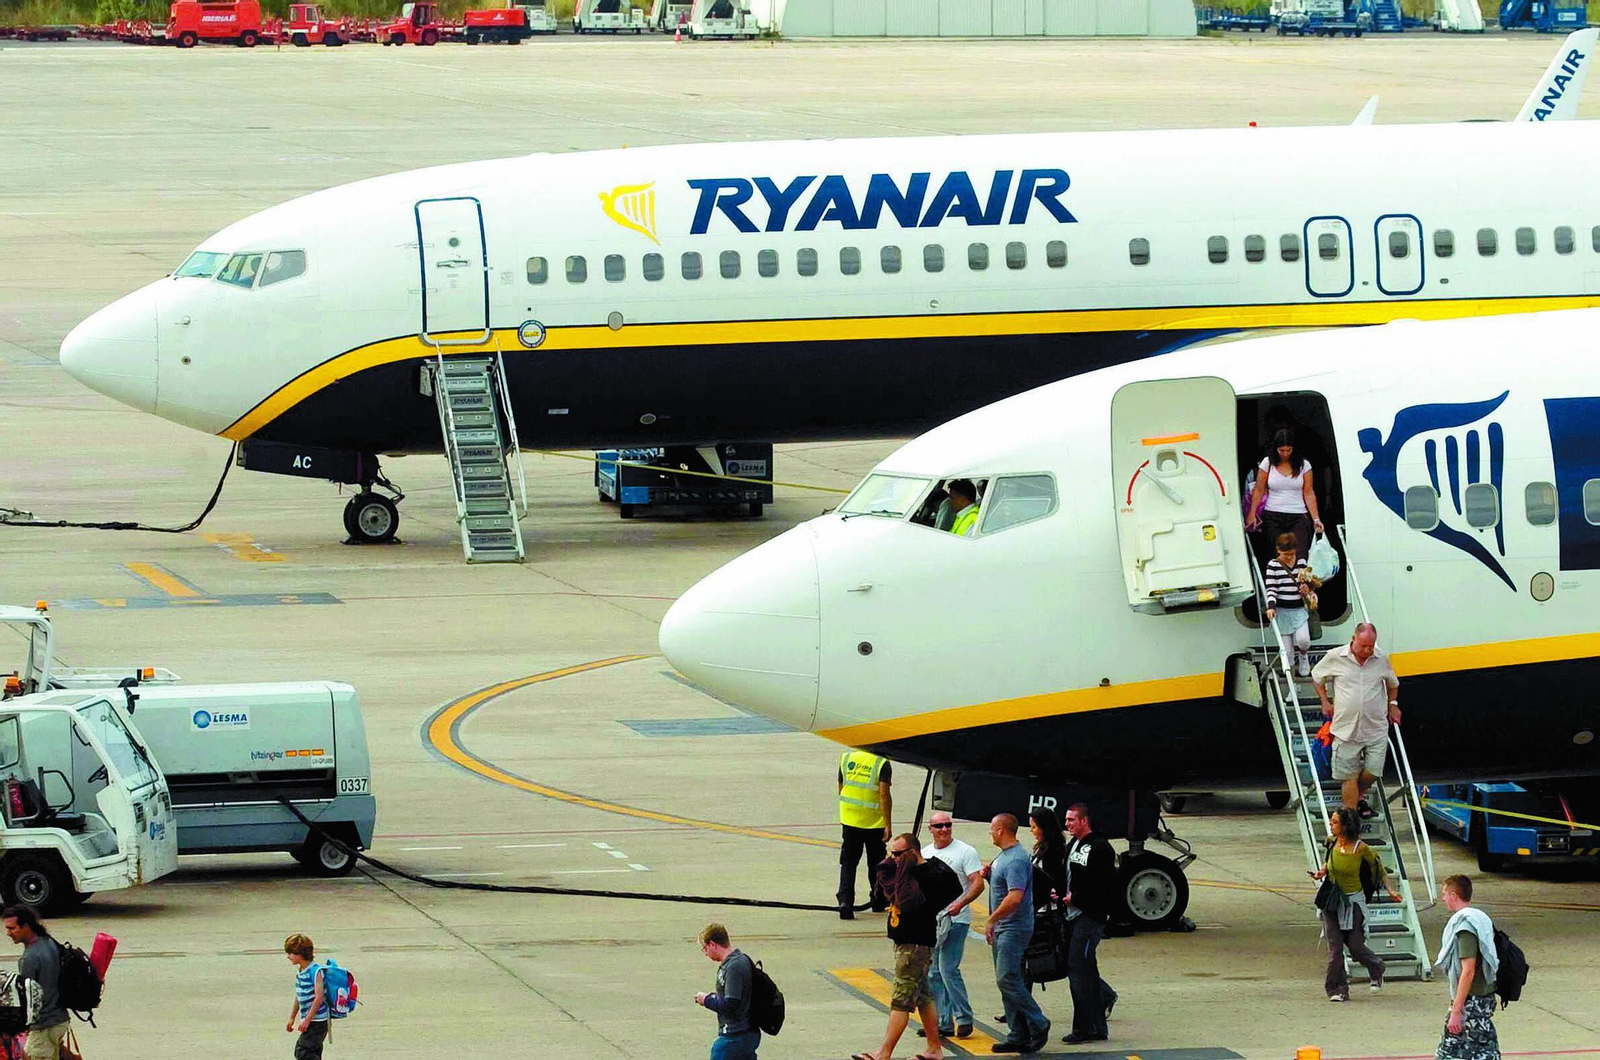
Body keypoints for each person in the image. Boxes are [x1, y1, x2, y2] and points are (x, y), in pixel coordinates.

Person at [854, 834, 963, 1060]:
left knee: (901, 1001)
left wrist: (900, 869)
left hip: (915, 945)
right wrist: (889, 865)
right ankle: (934, 1049)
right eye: (891, 853)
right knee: (923, 997)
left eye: (898, 854)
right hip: (905, 943)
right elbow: (883, 892)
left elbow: (906, 900)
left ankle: (883, 1053)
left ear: (912, 853)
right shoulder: (906, 870)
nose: (893, 858)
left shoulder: (928, 877)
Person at [1309, 807, 1401, 1003]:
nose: (1331, 825)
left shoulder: (1360, 848)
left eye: (1335, 822)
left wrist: (1391, 890)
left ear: (1345, 826)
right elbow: (1328, 862)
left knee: (1356, 947)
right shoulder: (1331, 842)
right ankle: (1337, 989)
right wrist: (1321, 873)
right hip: (1332, 901)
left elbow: (1379, 869)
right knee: (1335, 950)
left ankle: (1376, 966)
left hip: (1353, 902)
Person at [1311, 623, 1400, 816]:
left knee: (1374, 772)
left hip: (1375, 727)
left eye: (1371, 646)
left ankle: (1357, 798)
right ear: (1354, 639)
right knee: (1348, 776)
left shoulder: (1381, 658)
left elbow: (1392, 684)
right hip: (1345, 728)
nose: (1368, 650)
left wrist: (1393, 704)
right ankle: (1351, 819)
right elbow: (1317, 677)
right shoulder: (1336, 657)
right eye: (1363, 646)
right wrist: (1324, 701)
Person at [985, 814, 1049, 1054]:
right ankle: (1017, 1034)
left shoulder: (1015, 860)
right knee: (1008, 980)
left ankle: (1038, 1022)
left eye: (992, 829)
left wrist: (992, 919)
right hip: (1003, 927)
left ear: (1001, 831)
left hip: (1013, 928)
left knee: (1008, 978)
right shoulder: (1005, 857)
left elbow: (1015, 897)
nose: (990, 833)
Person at [920, 813, 984, 1041]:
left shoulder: (965, 852)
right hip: (934, 921)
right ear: (931, 829)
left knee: (948, 969)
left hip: (957, 920)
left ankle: (964, 1018)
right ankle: (943, 1022)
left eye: (948, 825)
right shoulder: (926, 854)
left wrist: (960, 903)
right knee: (934, 972)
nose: (945, 829)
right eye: (939, 826)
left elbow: (977, 883)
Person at [1059, 804, 1116, 1044]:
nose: (1068, 824)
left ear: (1084, 821)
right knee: (1086, 970)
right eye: (1067, 820)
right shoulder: (1074, 845)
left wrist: (1077, 898)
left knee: (1078, 970)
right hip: (1073, 915)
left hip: (1090, 917)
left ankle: (1083, 1028)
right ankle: (1097, 1027)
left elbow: (1104, 886)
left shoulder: (1100, 847)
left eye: (1072, 820)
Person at [1433, 875, 1500, 1060]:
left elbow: (1468, 971)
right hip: (1484, 997)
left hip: (1472, 1001)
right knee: (1484, 1049)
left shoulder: (1465, 927)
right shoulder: (1481, 918)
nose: (1443, 898)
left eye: (1445, 894)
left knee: (1449, 1052)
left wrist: (1456, 1010)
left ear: (1454, 895)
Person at [1245, 428, 1322, 561]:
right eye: (1282, 450)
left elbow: (1308, 492)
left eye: (1288, 450)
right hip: (1273, 514)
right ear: (1276, 449)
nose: (1285, 454)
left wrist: (1316, 518)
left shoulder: (1304, 465)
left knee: (1300, 556)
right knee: (1277, 557)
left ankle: (1300, 581)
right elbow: (1259, 489)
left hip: (1298, 514)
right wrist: (1252, 514)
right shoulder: (1267, 463)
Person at [2, 908, 66, 1060]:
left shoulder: (30, 958)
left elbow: (27, 999)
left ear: (26, 927)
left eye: (12, 928)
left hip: (43, 1026)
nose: (8, 933)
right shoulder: (49, 942)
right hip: (60, 1020)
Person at [838, 749, 893, 919]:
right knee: (876, 863)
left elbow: (841, 787)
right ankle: (878, 900)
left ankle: (845, 902)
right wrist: (888, 824)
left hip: (850, 819)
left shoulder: (846, 758)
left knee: (848, 863)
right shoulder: (882, 762)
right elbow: (884, 794)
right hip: (873, 821)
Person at [695, 923, 760, 1060]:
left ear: (713, 944)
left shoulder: (734, 966)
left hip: (735, 1035)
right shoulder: (739, 961)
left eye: (705, 949)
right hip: (747, 1033)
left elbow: (731, 1004)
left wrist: (707, 999)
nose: (706, 953)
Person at [1263, 531, 1323, 678]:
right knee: (1288, 652)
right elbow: (1271, 588)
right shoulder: (1273, 565)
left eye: (1291, 554)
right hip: (1282, 611)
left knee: (1304, 640)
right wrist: (1271, 606)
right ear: (1278, 550)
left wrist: (1307, 588)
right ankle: (1292, 681)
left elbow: (1310, 582)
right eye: (1286, 554)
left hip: (1298, 609)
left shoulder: (1301, 563)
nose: (1289, 557)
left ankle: (1303, 657)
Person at [283, 933, 330, 1060]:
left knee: (303, 1051)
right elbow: (299, 996)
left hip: (318, 1021)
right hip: (310, 1020)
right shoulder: (301, 972)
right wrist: (292, 1017)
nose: (288, 956)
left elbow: (319, 997)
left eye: (291, 953)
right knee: (312, 1052)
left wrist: (307, 1020)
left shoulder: (315, 971)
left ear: (301, 954)